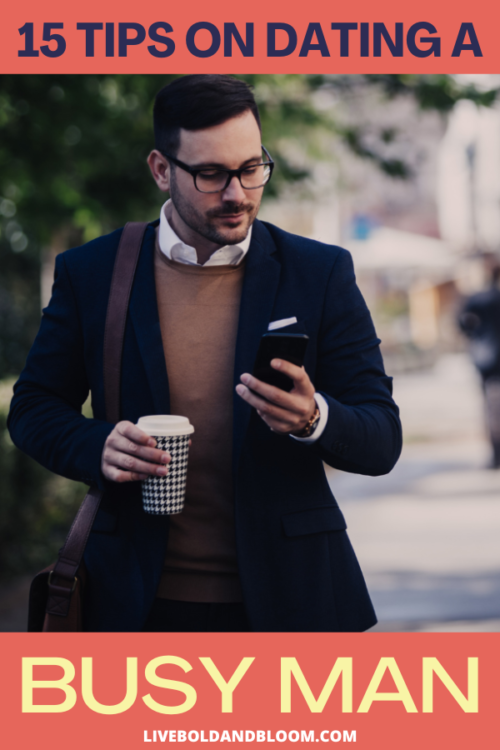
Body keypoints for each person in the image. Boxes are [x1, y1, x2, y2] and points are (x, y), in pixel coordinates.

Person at [8, 74, 402, 632]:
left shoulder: (319, 273)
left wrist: (314, 419)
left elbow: (382, 437)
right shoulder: (93, 273)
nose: (238, 193)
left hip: (290, 600)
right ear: (161, 170)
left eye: (251, 168)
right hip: (133, 604)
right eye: (212, 174)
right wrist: (99, 445)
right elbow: (32, 409)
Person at [458, 266, 500, 469]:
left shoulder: (478, 298)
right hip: (491, 359)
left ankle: (496, 454)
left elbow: (460, 322)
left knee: (491, 407)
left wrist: (475, 337)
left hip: (486, 358)